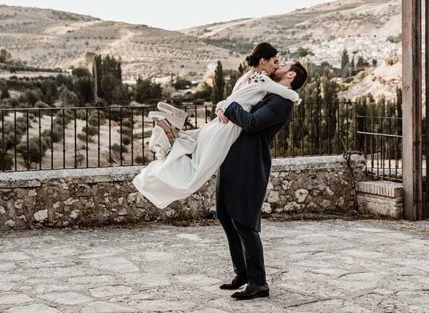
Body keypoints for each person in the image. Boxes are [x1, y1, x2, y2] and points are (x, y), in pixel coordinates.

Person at [132, 43, 300, 209]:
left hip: (220, 121)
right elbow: (287, 93)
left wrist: (221, 106)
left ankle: (175, 133)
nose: (276, 66)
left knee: (196, 149)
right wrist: (296, 98)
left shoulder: (246, 77)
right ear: (263, 61)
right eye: (274, 62)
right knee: (198, 171)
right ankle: (174, 140)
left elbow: (230, 99)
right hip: (229, 126)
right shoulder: (262, 79)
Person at [215, 59, 308, 300]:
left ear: (291, 75)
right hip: (232, 158)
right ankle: (242, 273)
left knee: (244, 221)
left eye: (284, 64)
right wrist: (222, 106)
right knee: (225, 214)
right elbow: (241, 106)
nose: (278, 65)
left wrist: (229, 106)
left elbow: (252, 123)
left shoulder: (282, 102)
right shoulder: (268, 92)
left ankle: (258, 283)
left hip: (250, 163)